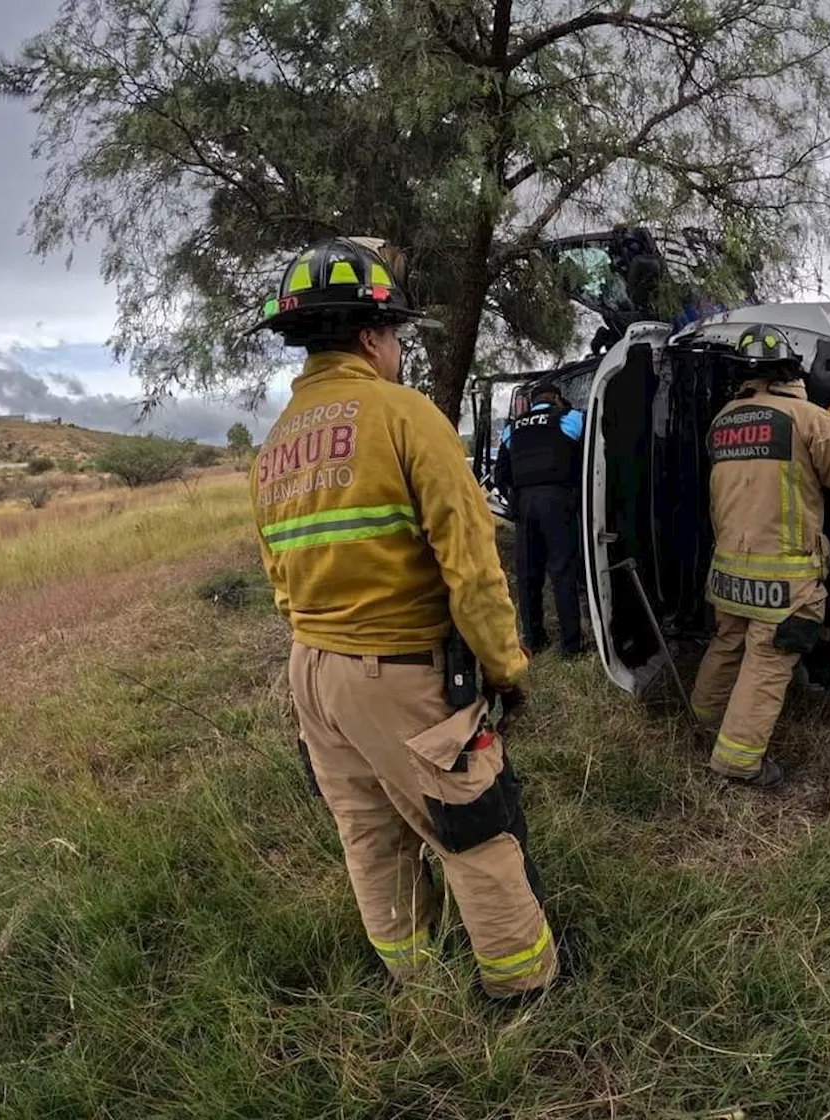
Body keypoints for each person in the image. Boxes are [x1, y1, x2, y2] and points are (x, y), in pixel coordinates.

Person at [247, 235, 556, 1001]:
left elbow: (280, 579)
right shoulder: (404, 415)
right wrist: (506, 669)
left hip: (311, 672)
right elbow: (472, 564)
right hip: (400, 672)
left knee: (371, 836)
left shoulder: (276, 446)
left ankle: (416, 981)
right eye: (395, 337)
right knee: (474, 831)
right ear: (370, 335)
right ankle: (527, 993)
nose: (397, 352)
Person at [690, 325, 830, 788]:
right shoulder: (806, 418)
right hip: (785, 579)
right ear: (791, 370)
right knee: (767, 662)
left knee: (728, 645)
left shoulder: (722, 421)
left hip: (728, 571)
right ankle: (737, 762)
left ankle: (702, 723)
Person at [494, 382, 586, 657]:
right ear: (557, 398)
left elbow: (500, 475)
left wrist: (516, 501)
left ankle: (534, 638)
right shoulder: (570, 418)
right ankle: (571, 646)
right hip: (558, 501)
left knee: (528, 576)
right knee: (562, 572)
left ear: (532, 402)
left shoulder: (512, 429)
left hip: (525, 504)